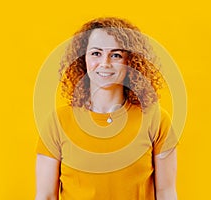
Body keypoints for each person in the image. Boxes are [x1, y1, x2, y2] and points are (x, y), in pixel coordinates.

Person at [35, 17, 179, 200]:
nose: (105, 63)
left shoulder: (156, 119)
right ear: (83, 58)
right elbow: (45, 196)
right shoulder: (57, 123)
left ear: (131, 62)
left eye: (116, 55)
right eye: (96, 53)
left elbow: (166, 193)